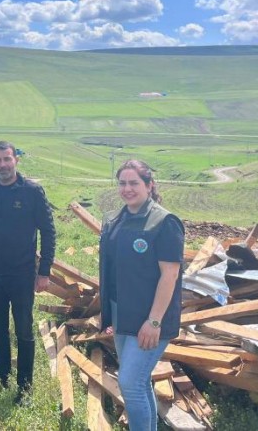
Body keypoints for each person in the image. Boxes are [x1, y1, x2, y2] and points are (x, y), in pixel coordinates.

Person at [99, 159, 184, 431]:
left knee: (130, 382)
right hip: (122, 312)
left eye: (134, 183)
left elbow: (169, 275)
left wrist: (154, 321)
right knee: (138, 381)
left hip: (150, 316)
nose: (127, 189)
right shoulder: (115, 220)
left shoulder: (164, 222)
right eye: (122, 183)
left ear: (149, 185)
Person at [0, 140, 56, 406]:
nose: (3, 165)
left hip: (22, 274)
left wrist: (44, 272)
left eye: (7, 159)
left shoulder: (32, 191)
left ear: (16, 160)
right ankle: (2, 376)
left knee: (23, 331)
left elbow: (48, 232)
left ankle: (25, 387)